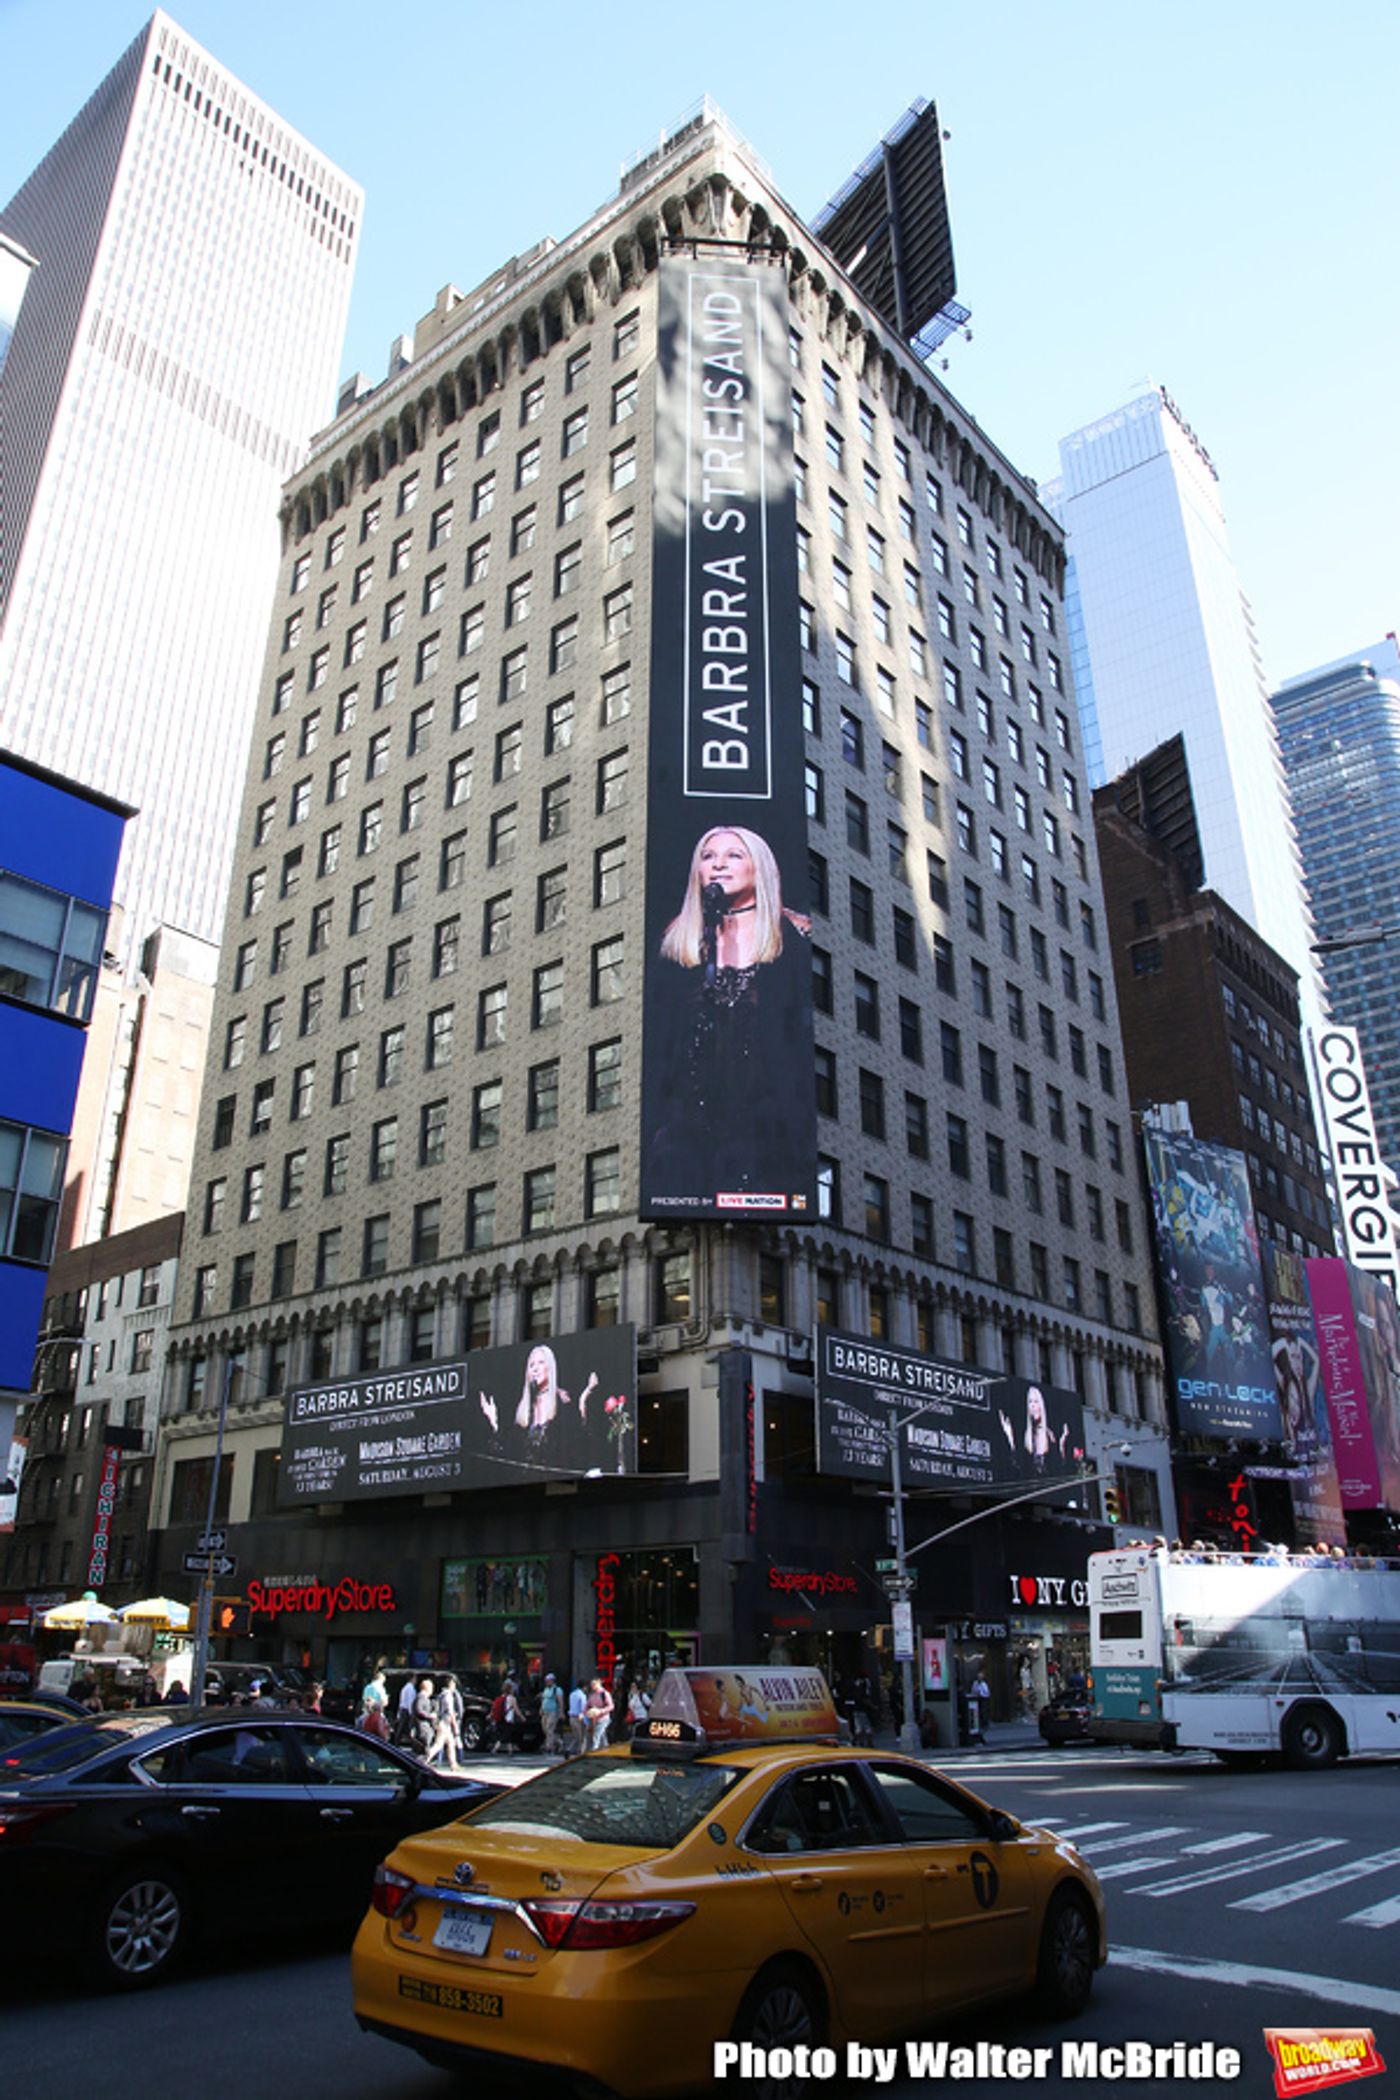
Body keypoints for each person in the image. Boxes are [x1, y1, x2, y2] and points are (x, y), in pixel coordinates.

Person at [643, 826, 812, 1202]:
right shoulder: (675, 944)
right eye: (708, 856)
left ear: (760, 866)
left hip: (769, 1132)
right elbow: (660, 1050)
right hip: (687, 1136)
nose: (718, 864)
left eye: (734, 855)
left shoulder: (794, 938)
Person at [428, 1673, 464, 1767]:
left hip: (443, 1722)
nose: (454, 1687)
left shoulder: (442, 1694)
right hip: (445, 1722)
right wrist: (455, 1725)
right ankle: (425, 1759)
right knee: (438, 1744)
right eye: (454, 1684)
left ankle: (453, 1764)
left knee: (450, 1742)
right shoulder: (448, 1696)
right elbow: (450, 1711)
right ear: (451, 1684)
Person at [359, 1666, 390, 1741]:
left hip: (366, 1713)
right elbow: (384, 1702)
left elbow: (364, 1700)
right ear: (381, 1680)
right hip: (376, 1712)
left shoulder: (367, 1687)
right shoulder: (380, 1688)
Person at [539, 1672, 565, 1754]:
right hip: (545, 1712)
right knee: (545, 1729)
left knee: (550, 1728)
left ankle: (549, 1746)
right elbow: (543, 1699)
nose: (547, 1682)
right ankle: (558, 1742)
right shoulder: (546, 1689)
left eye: (548, 1681)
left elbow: (560, 1701)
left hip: (553, 1712)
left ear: (552, 1681)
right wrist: (541, 1709)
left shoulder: (557, 1689)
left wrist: (561, 1712)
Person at [585, 1676, 614, 1751]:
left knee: (596, 1736)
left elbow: (611, 1706)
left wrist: (600, 1711)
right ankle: (607, 1751)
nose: (593, 1686)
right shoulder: (591, 1694)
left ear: (599, 1684)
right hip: (594, 1719)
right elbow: (587, 1706)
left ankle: (594, 1751)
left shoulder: (604, 1694)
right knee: (602, 1737)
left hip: (603, 1718)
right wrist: (586, 1713)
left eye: (594, 1684)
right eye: (592, 1685)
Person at [568, 1679, 588, 1756]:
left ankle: (569, 1749)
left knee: (576, 1736)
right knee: (582, 1737)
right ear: (584, 1687)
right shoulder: (582, 1696)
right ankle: (581, 1752)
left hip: (571, 1717)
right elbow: (583, 1708)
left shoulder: (572, 1694)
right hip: (579, 1717)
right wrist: (586, 1720)